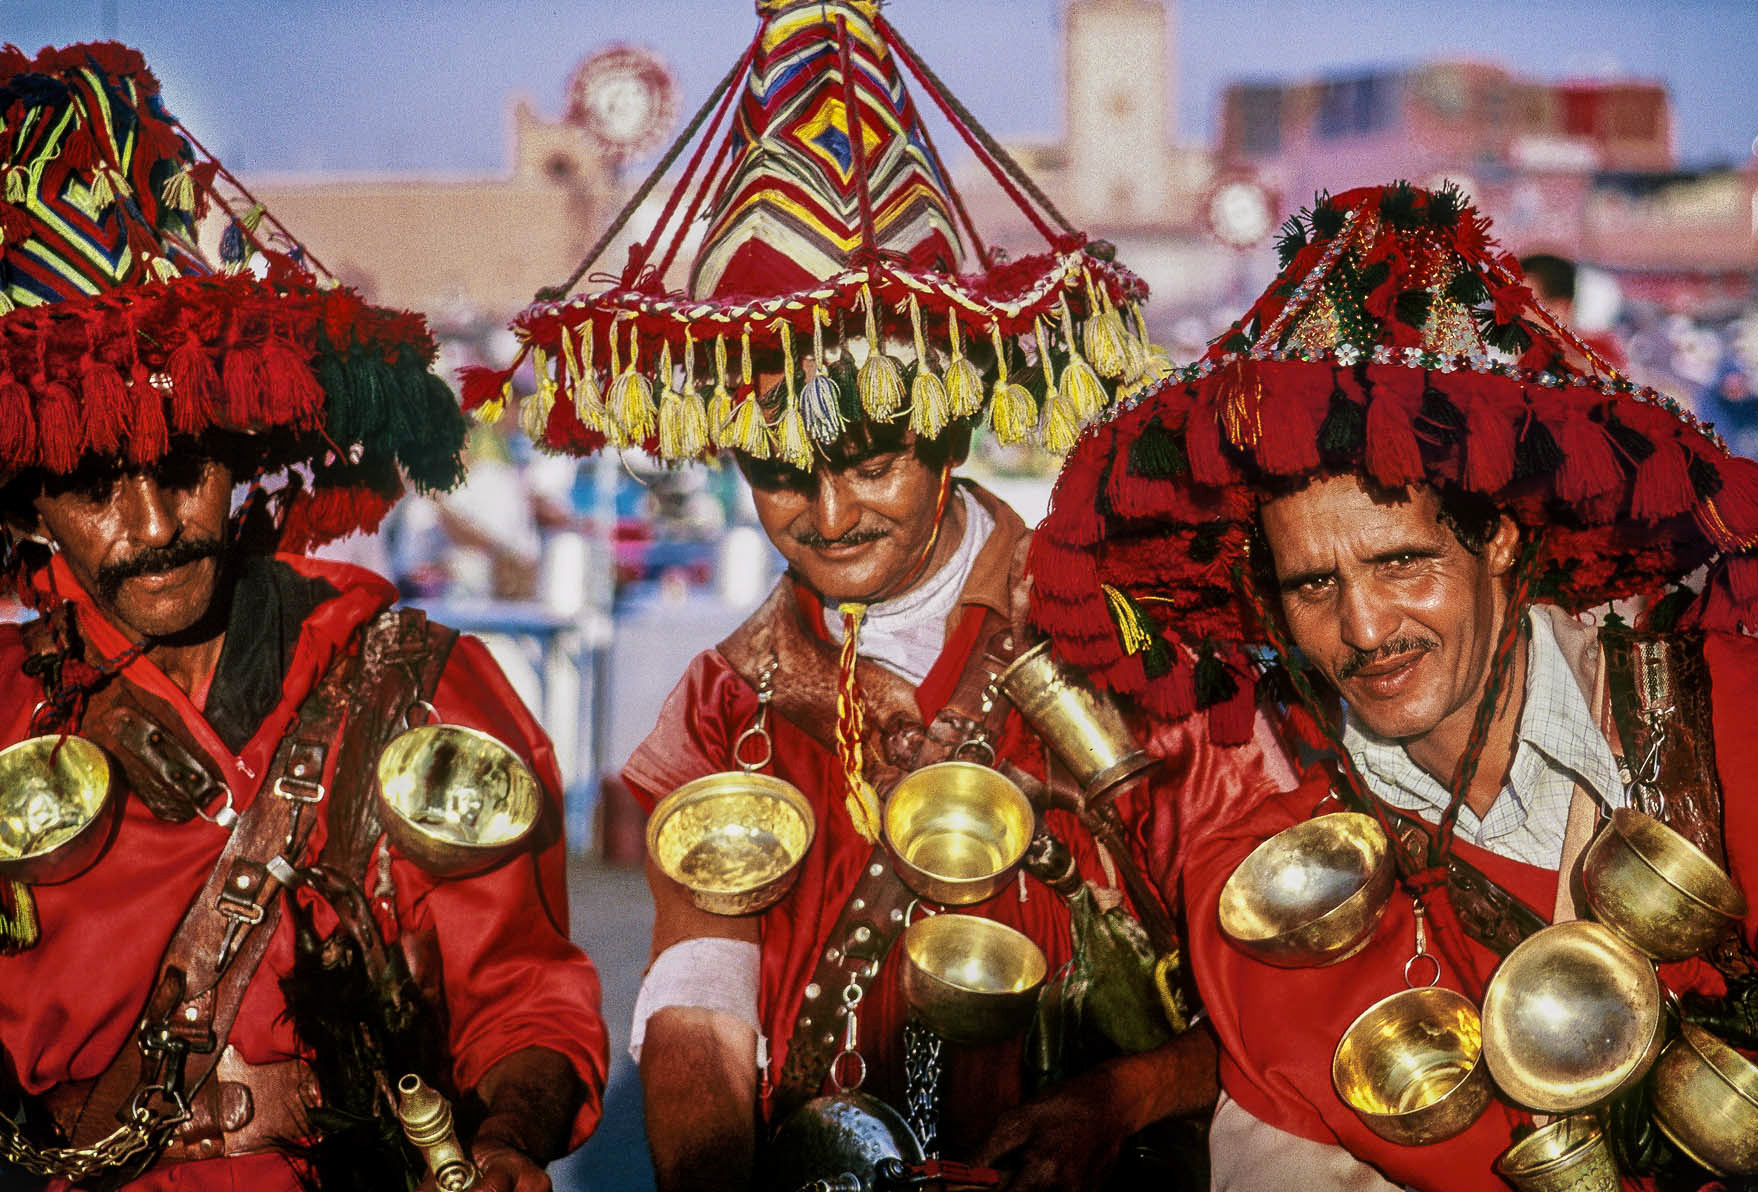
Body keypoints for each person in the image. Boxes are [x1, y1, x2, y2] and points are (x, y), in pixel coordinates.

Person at [462, 3, 1294, 1188]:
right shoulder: (723, 703)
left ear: (949, 442)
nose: (833, 515)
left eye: (872, 463)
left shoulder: (1125, 643)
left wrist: (1122, 1097)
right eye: (783, 475)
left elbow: (1282, 988)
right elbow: (701, 996)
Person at [1032, 182, 1758, 1190]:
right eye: (1314, 583)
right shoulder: (1274, 866)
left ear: (1503, 540)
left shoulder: (1739, 724)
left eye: (1403, 563)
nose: (1362, 628)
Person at [0, 44, 606, 1191]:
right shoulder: (5, 708)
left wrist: (513, 1133)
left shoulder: (414, 684)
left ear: (246, 452)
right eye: (93, 491)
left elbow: (525, 994)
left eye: (184, 469)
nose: (153, 524)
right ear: (30, 505)